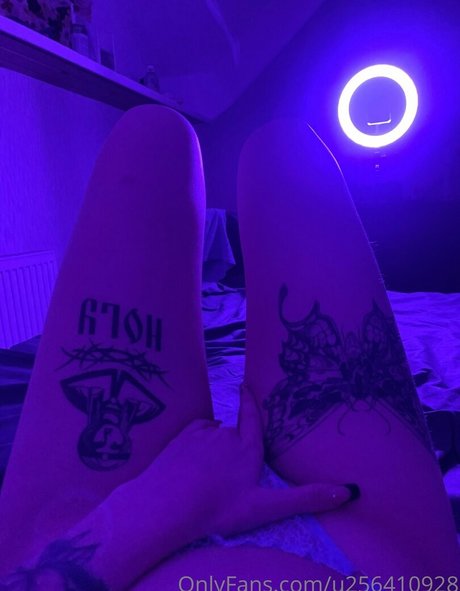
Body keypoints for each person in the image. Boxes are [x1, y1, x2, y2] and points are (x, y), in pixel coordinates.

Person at [0, 105, 458, 591]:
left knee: (154, 135)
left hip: (81, 547)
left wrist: (144, 514)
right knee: (286, 152)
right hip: (384, 562)